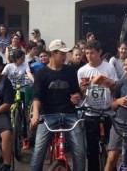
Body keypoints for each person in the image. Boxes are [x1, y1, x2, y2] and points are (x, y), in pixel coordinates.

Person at [29, 39, 85, 171]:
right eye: (62, 53)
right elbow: (37, 97)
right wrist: (35, 114)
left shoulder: (70, 71)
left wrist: (77, 97)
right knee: (38, 151)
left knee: (79, 150)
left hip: (69, 114)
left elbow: (76, 92)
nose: (65, 56)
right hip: (48, 115)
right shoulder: (41, 73)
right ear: (53, 54)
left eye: (65, 53)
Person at [78, 40, 118, 171]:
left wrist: (106, 81)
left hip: (107, 112)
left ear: (99, 52)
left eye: (92, 53)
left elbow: (116, 88)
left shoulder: (109, 67)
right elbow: (81, 94)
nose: (89, 56)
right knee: (91, 149)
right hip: (90, 112)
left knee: (111, 147)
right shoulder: (82, 71)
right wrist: (82, 90)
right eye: (87, 53)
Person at [2, 49, 34, 149]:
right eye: (21, 58)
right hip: (11, 90)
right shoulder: (8, 66)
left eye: (24, 58)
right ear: (16, 59)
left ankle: (25, 138)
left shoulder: (25, 65)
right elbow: (3, 76)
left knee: (24, 112)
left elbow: (28, 74)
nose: (23, 60)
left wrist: (33, 81)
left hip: (22, 89)